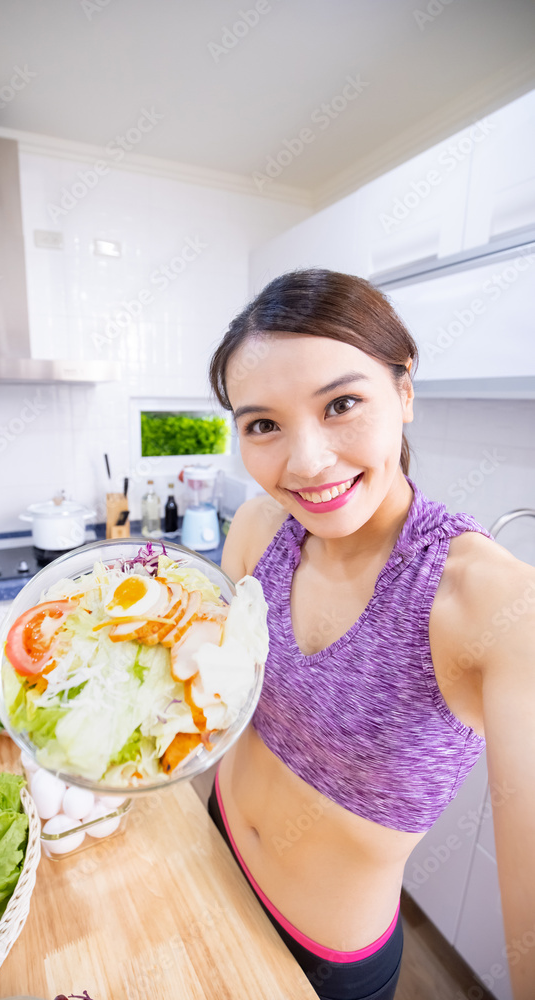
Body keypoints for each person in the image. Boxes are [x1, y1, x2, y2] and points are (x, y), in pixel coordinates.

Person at [206, 269, 535, 1000]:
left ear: (404, 391)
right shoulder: (258, 529)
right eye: (262, 424)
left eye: (342, 404)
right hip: (211, 844)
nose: (306, 463)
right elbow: (214, 687)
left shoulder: (493, 607)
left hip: (323, 963)